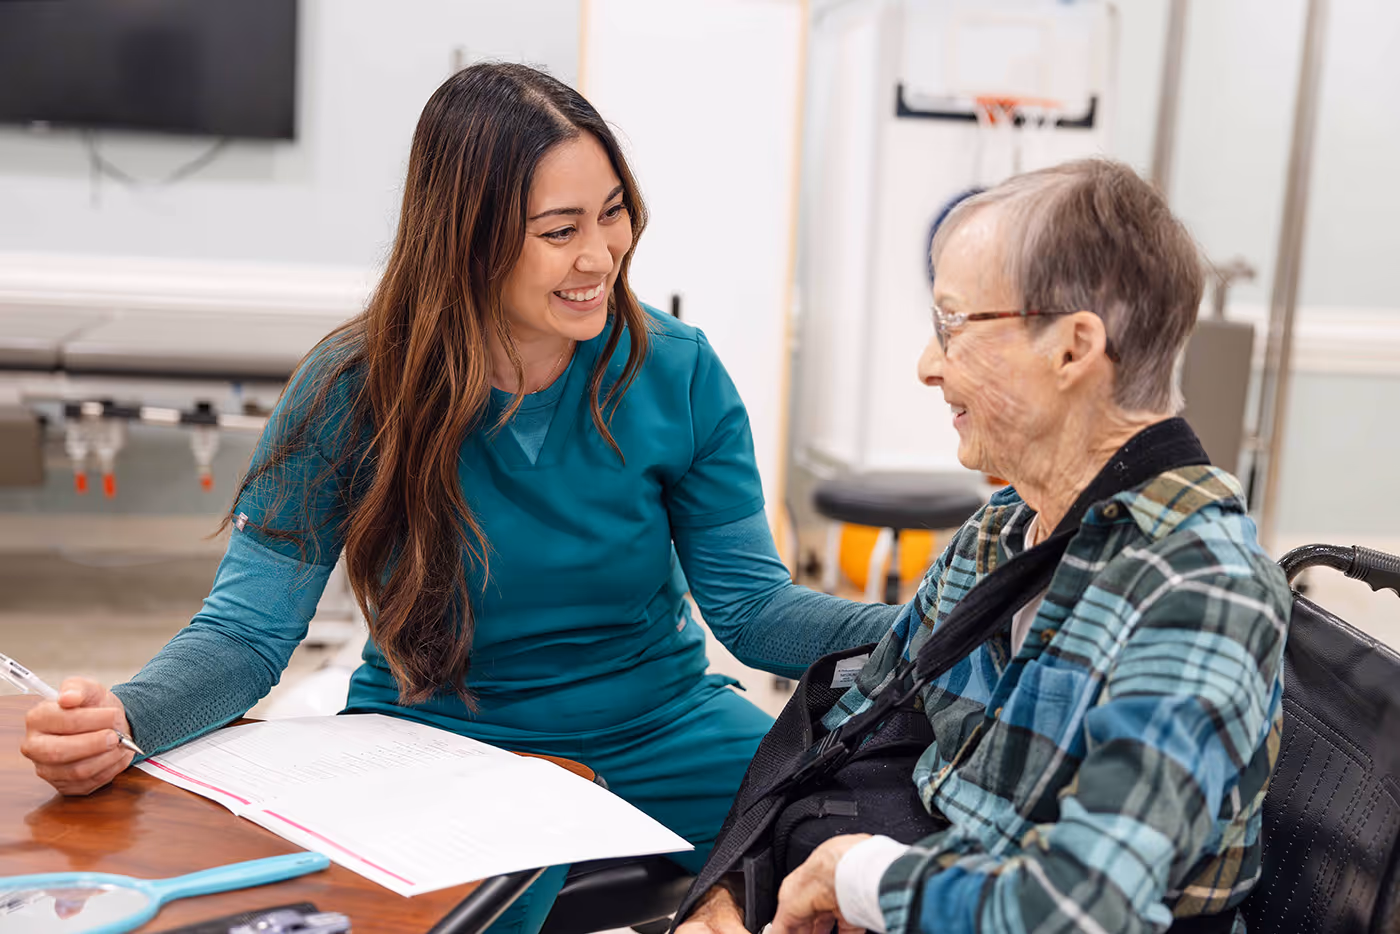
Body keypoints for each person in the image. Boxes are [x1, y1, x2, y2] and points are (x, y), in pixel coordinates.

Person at [18, 63, 899, 934]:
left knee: (875, 854)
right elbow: (247, 636)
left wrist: (934, 619)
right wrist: (126, 718)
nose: (601, 256)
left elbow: (752, 610)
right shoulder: (349, 388)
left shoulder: (676, 368)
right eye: (560, 231)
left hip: (661, 725)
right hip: (436, 743)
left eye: (613, 213)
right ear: (467, 238)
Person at [679, 159, 1291, 934]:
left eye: (954, 325)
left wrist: (857, 875)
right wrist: (735, 890)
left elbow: (1079, 908)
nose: (929, 366)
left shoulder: (1202, 592)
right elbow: (853, 720)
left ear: (1072, 348)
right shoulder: (1001, 532)